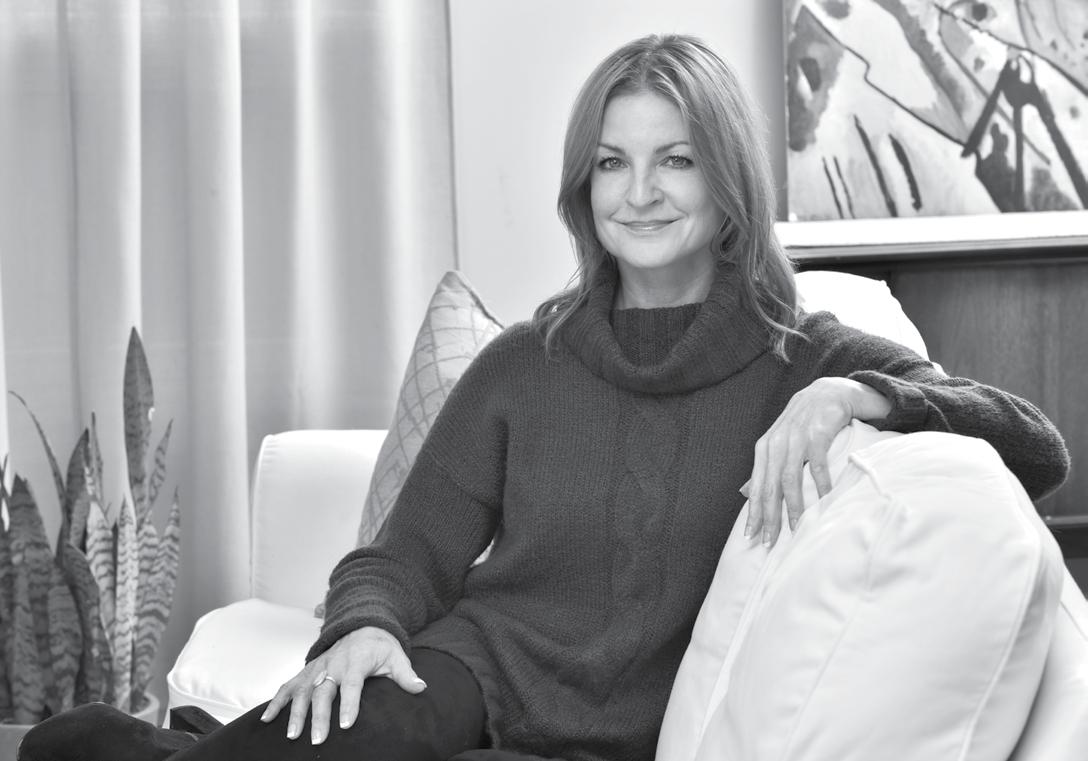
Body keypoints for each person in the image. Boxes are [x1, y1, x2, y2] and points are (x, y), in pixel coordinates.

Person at [20, 32, 1069, 761]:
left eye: (675, 160)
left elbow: (1034, 442)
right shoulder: (528, 361)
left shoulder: (801, 357)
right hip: (464, 679)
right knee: (147, 739)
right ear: (583, 186)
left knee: (86, 749)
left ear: (728, 186)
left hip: (613, 736)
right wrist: (362, 628)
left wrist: (851, 396)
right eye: (611, 163)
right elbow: (403, 551)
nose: (639, 191)